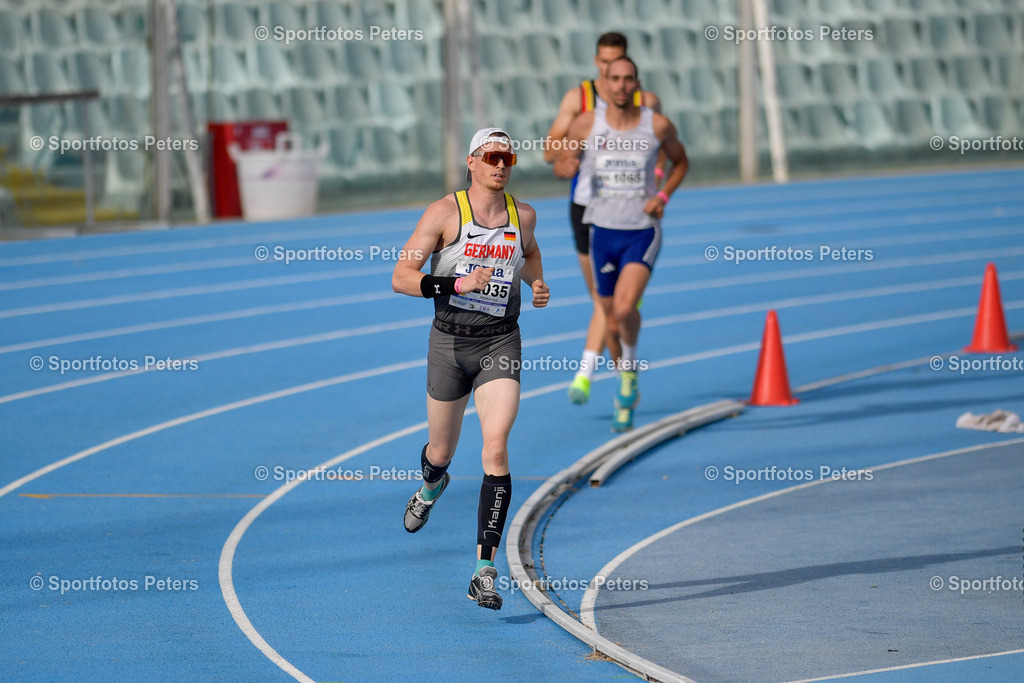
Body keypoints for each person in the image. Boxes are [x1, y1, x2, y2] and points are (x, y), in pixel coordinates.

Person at [392, 127, 549, 611]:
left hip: (500, 341)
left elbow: (531, 254)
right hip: (449, 343)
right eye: (492, 157)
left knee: (496, 447)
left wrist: (538, 283)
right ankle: (433, 482)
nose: (501, 165)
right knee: (441, 450)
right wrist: (456, 284)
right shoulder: (444, 213)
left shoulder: (523, 216)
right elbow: (400, 277)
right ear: (473, 162)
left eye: (509, 157)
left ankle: (484, 569)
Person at [555, 56, 688, 432]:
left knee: (626, 307)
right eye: (614, 79)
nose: (621, 85)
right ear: (605, 83)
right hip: (602, 232)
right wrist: (564, 164)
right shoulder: (587, 123)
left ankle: (627, 372)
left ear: (636, 83)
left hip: (642, 231)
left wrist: (662, 197)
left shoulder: (657, 125)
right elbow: (562, 156)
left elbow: (681, 162)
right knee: (610, 320)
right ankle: (627, 377)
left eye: (628, 79)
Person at [544, 32, 661, 406]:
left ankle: (594, 374)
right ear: (598, 63)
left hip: (632, 214)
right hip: (587, 209)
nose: (613, 69)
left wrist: (658, 190)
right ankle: (620, 377)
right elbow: (551, 151)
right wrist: (568, 157)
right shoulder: (578, 101)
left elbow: (661, 148)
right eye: (606, 63)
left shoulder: (646, 103)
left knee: (611, 306)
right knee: (602, 302)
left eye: (620, 61)